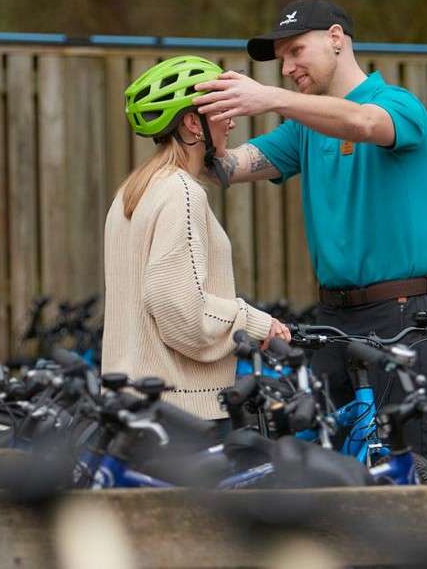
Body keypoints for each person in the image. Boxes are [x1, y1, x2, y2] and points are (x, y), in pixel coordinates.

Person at [191, 0, 427, 465]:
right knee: (311, 464)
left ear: (335, 39)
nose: (286, 68)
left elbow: (366, 124)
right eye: (281, 59)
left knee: (410, 477)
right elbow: (228, 168)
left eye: (294, 52)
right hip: (332, 322)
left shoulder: (397, 105)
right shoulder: (305, 128)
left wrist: (271, 98)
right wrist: (200, 132)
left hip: (400, 318)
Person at [102, 55, 291, 425]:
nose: (233, 121)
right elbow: (184, 312)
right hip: (181, 413)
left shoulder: (134, 189)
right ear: (193, 123)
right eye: (223, 111)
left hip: (133, 402)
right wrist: (257, 323)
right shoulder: (181, 192)